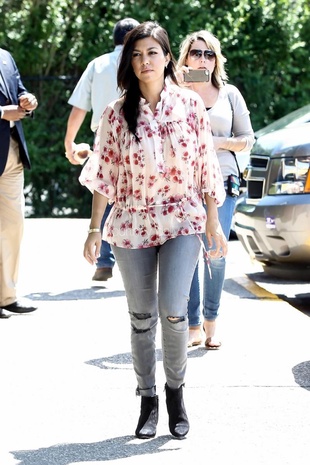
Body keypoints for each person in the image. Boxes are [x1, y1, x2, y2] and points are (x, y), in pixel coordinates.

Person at [80, 21, 227, 439]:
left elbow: (206, 165)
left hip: (182, 219)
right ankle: (148, 400)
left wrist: (213, 219)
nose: (145, 61)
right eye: (137, 54)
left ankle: (176, 393)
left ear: (167, 58)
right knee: (142, 317)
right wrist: (95, 229)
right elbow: (103, 174)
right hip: (131, 222)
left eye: (153, 52)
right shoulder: (115, 112)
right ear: (130, 61)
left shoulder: (190, 106)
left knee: (174, 311)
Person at [177, 30, 255, 348]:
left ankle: (211, 320)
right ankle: (192, 324)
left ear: (217, 60)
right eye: (196, 53)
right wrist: (177, 83)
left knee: (216, 253)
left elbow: (247, 138)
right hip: (183, 185)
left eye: (209, 54)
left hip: (222, 182)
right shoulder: (176, 92)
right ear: (185, 57)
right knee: (187, 256)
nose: (203, 60)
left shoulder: (229, 94)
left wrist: (216, 143)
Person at [64, 17, 139, 281]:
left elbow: (79, 107)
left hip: (104, 138)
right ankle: (137, 258)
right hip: (141, 135)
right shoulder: (143, 61)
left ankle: (104, 260)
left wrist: (69, 143)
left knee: (104, 192)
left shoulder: (97, 64)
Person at [0, 48, 38, 319]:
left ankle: (6, 296)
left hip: (11, 154)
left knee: (14, 226)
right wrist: (2, 112)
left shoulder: (6, 56)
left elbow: (20, 91)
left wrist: (28, 100)